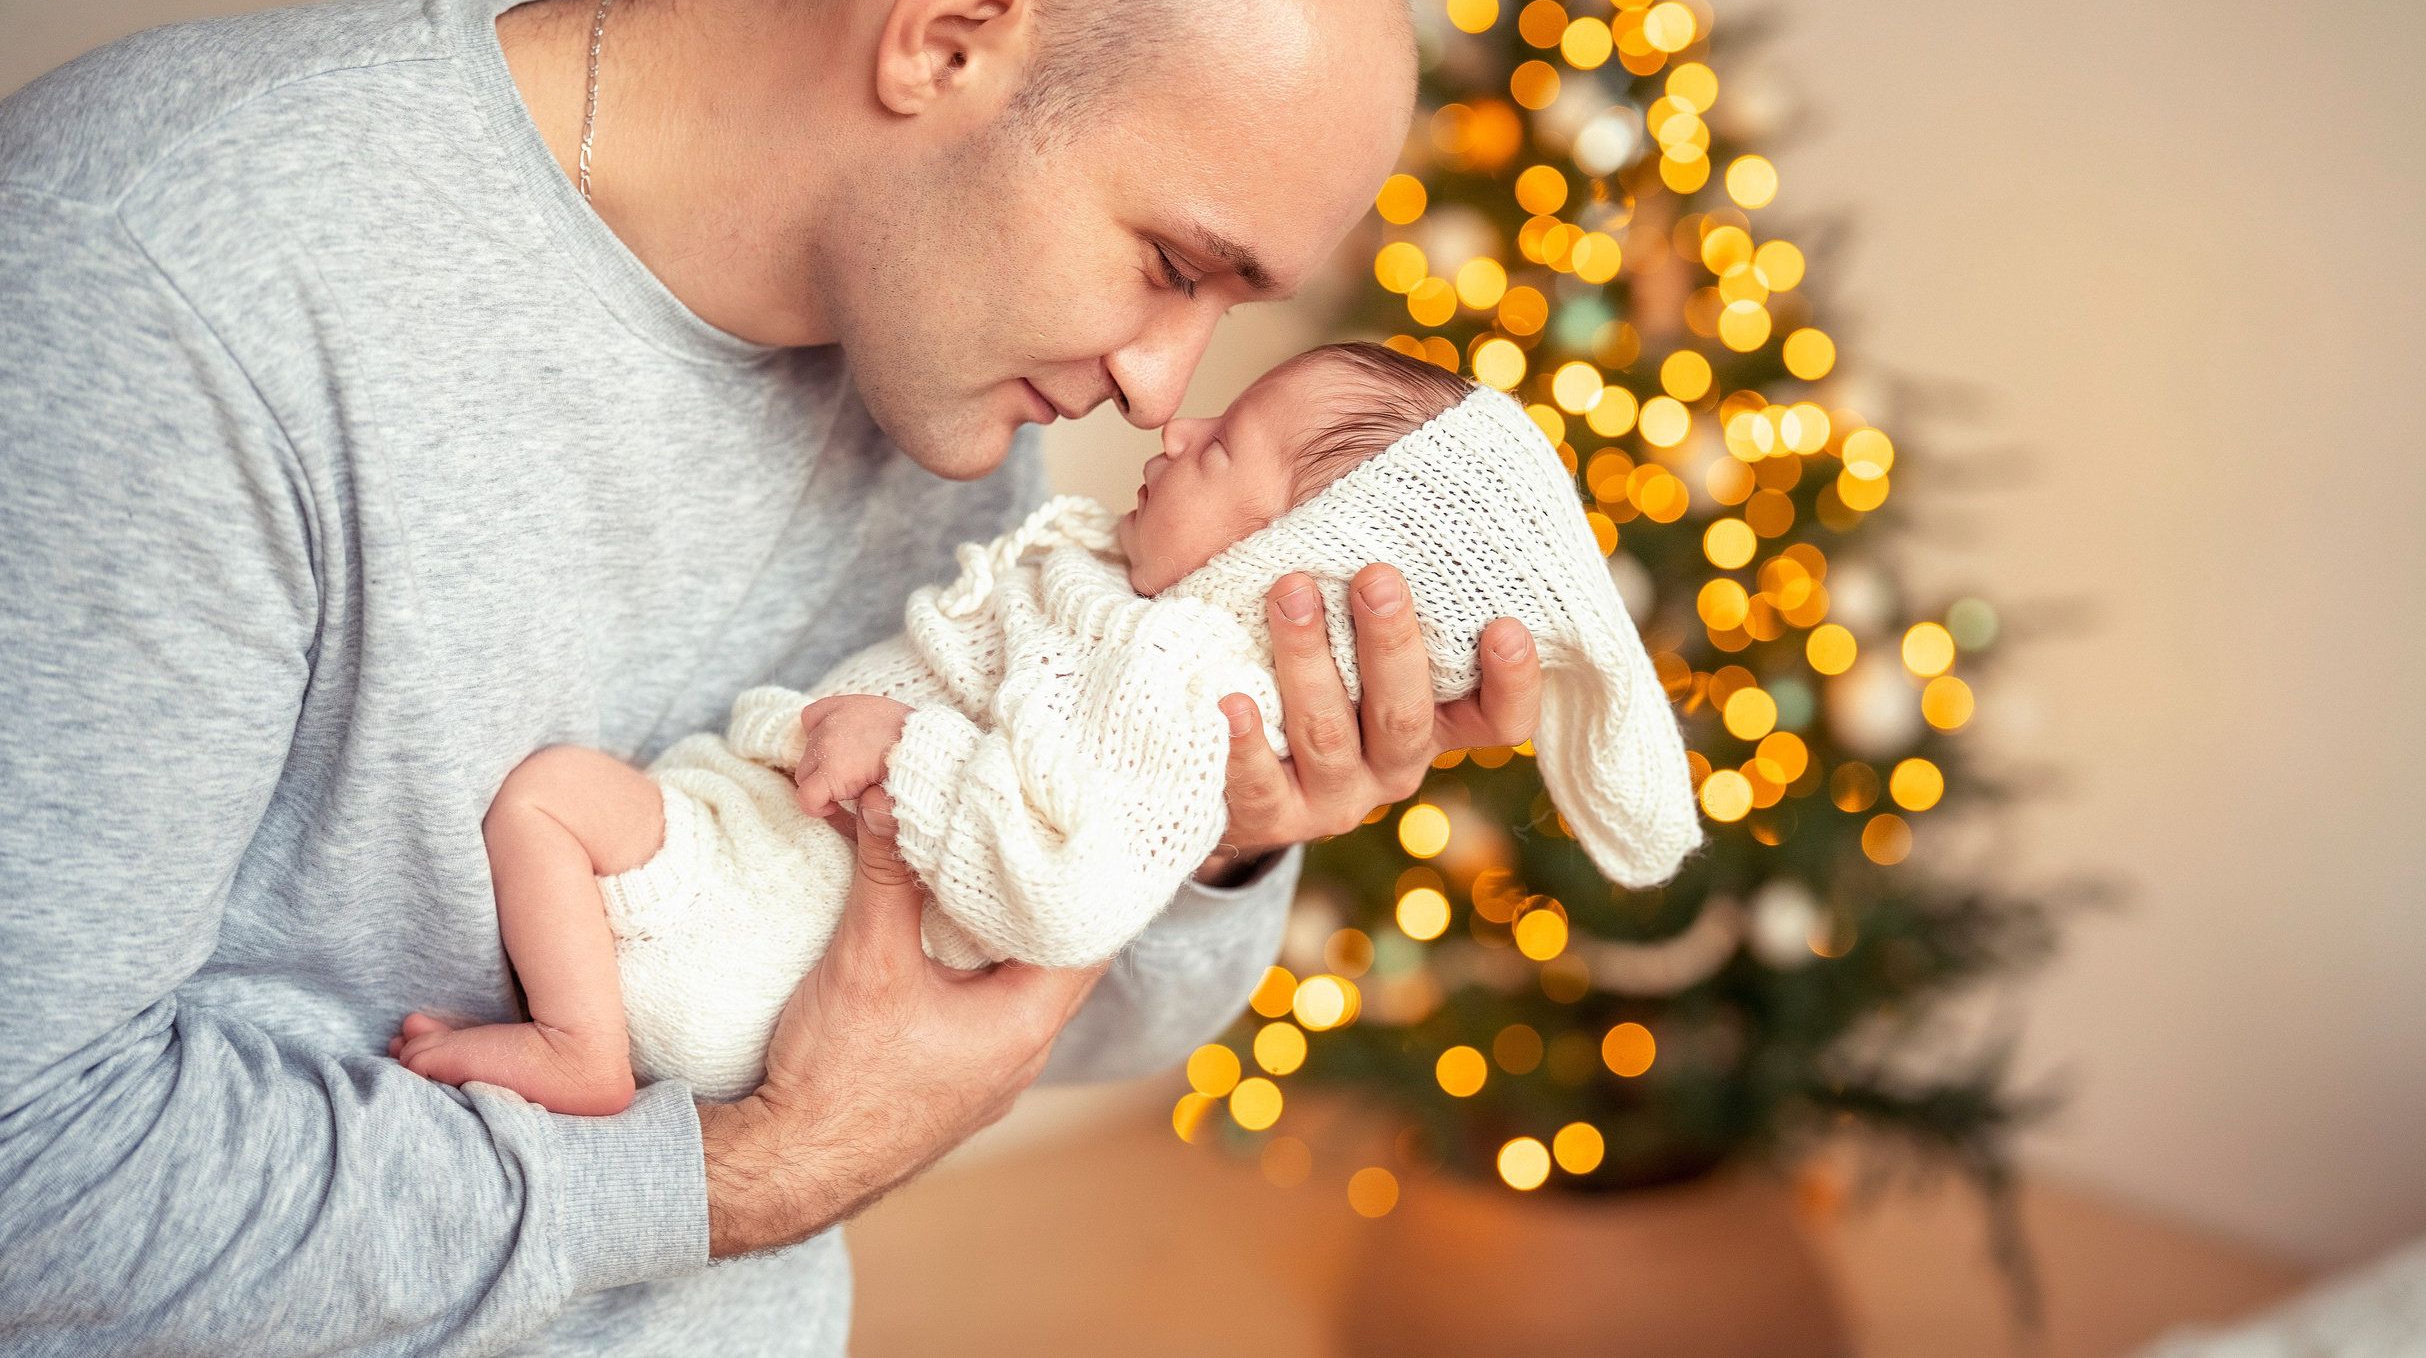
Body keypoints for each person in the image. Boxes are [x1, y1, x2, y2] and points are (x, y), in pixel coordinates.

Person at [0, 0, 1542, 1357]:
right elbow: (35, 1184)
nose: (1164, 395)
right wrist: (746, 1174)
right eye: (1173, 265)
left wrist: (1225, 829)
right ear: (948, 40)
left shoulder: (942, 372)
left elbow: (1028, 1013)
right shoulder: (163, 274)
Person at [387, 343, 1701, 1115]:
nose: (1175, 422)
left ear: (1281, 560)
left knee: (551, 796)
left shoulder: (1175, 671)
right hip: (753, 864)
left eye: (1227, 443)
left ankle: (583, 1048)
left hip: (759, 929)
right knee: (564, 801)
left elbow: (1071, 898)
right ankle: (585, 1036)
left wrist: (905, 751)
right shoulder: (1114, 592)